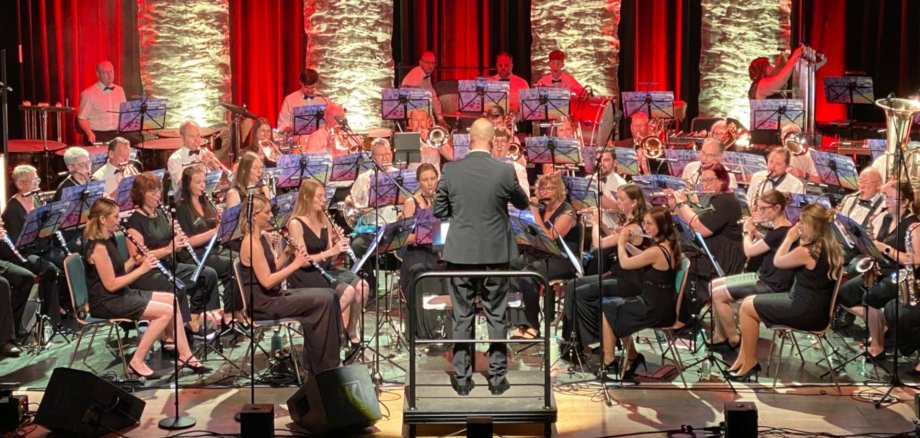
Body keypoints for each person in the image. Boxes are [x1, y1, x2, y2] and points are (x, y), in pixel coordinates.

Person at [433, 118, 529, 396]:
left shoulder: (451, 170)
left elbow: (439, 210)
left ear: (469, 139)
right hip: (495, 253)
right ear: (492, 140)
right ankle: (497, 379)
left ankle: (463, 380)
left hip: (461, 252)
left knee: (462, 316)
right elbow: (522, 203)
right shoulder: (505, 170)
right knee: (496, 315)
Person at [82, 198, 207, 378]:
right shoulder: (98, 248)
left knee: (172, 299)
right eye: (115, 217)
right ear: (102, 219)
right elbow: (111, 284)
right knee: (165, 312)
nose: (119, 220)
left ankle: (185, 355)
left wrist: (134, 260)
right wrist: (142, 269)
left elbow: (118, 271)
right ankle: (137, 361)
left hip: (119, 294)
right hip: (106, 301)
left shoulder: (110, 239)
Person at [728, 203, 842, 381]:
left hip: (804, 310)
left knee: (747, 308)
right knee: (749, 302)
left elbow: (779, 261)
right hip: (814, 307)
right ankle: (743, 360)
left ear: (811, 225)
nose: (798, 226)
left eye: (802, 222)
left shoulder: (808, 251)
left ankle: (748, 361)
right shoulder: (830, 247)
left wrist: (789, 238)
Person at [239, 194, 344, 377]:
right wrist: (295, 264)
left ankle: (327, 361)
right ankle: (323, 368)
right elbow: (267, 281)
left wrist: (288, 252)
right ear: (254, 216)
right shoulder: (250, 243)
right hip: (264, 304)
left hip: (274, 296)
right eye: (267, 212)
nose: (271, 216)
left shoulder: (262, 236)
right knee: (323, 300)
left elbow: (273, 267)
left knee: (330, 294)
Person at [124, 173, 220, 339]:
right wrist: (168, 249)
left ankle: (193, 320)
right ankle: (173, 335)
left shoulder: (161, 213)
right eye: (152, 192)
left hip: (169, 265)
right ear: (140, 194)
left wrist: (179, 239)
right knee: (177, 286)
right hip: (147, 273)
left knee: (207, 274)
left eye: (158, 190)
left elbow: (173, 242)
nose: (157, 195)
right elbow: (138, 258)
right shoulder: (134, 221)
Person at [286, 179, 370, 359]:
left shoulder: (324, 218)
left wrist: (337, 245)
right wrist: (331, 251)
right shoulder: (295, 223)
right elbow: (303, 261)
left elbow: (330, 258)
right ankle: (326, 333)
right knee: (347, 292)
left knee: (362, 287)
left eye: (325, 196)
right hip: (304, 275)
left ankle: (350, 332)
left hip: (324, 269)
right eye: (320, 197)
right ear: (307, 197)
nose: (324, 200)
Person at [837, 182, 920, 360]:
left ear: (905, 202)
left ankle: (877, 346)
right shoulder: (886, 218)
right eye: (885, 197)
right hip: (880, 269)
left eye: (891, 198)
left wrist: (886, 249)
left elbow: (916, 260)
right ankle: (880, 323)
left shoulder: (914, 226)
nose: (886, 201)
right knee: (843, 293)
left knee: (871, 297)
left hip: (900, 275)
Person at [600, 206, 681, 378]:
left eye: (650, 224)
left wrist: (621, 243)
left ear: (662, 226)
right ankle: (632, 356)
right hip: (658, 303)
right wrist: (628, 243)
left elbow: (625, 264)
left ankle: (609, 362)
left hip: (655, 309)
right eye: (644, 223)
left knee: (608, 309)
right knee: (615, 307)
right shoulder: (665, 246)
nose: (645, 228)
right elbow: (642, 257)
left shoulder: (656, 251)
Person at [563, 184, 647, 349]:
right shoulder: (627, 222)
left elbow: (599, 244)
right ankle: (572, 340)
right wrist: (601, 222)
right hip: (617, 274)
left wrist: (595, 222)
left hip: (629, 281)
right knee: (572, 285)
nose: (618, 202)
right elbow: (614, 238)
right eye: (617, 198)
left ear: (634, 202)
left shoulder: (634, 227)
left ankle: (591, 340)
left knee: (581, 293)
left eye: (622, 199)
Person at [709, 190, 795, 350]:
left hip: (771, 284)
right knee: (713, 285)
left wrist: (747, 232)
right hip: (764, 277)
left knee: (717, 294)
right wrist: (756, 233)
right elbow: (771, 244)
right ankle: (720, 335)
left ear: (777, 208)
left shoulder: (779, 232)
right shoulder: (784, 229)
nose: (761, 212)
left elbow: (749, 251)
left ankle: (733, 337)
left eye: (764, 208)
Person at [509, 173, 581, 339]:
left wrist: (534, 212)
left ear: (559, 191)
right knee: (511, 266)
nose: (545, 192)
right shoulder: (541, 210)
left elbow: (550, 238)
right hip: (540, 255)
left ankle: (532, 326)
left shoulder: (567, 212)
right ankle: (519, 321)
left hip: (563, 259)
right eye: (542, 188)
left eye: (550, 188)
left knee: (528, 275)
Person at [174, 166, 245, 329]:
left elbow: (217, 229)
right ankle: (229, 315)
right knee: (231, 265)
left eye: (204, 181)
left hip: (212, 249)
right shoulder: (181, 208)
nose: (203, 185)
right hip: (194, 254)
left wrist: (223, 222)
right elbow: (187, 242)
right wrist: (214, 232)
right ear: (187, 185)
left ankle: (235, 309)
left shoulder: (206, 202)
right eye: (198, 182)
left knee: (240, 260)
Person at [1, 165, 66, 330]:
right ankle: (49, 316)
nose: (37, 184)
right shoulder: (12, 209)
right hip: (22, 253)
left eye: (37, 180)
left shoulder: (36, 198)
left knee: (67, 259)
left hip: (40, 247)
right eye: (33, 181)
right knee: (49, 269)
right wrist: (38, 233)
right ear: (20, 184)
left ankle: (60, 309)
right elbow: (17, 243)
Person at [399, 164, 449, 341]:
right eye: (425, 180)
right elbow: (404, 238)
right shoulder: (411, 203)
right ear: (418, 182)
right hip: (416, 253)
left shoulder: (444, 200)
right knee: (419, 271)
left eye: (433, 179)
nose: (430, 183)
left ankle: (446, 327)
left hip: (439, 252)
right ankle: (424, 329)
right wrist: (425, 235)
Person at [278, 69, 345, 155]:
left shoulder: (324, 99)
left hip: (321, 146)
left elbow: (331, 120)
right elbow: (282, 125)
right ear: (300, 83)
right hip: (299, 146)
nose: (309, 91)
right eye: (306, 87)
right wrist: (294, 128)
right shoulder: (290, 100)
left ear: (316, 83)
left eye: (312, 87)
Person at [77, 61, 127, 145]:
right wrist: (89, 133)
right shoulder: (88, 93)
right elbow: (81, 118)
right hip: (97, 135)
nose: (109, 75)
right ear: (98, 74)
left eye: (111, 71)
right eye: (105, 72)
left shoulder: (120, 90)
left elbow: (125, 113)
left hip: (117, 134)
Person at [166, 121, 223, 192]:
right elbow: (181, 186)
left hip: (208, 193)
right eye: (192, 136)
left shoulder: (203, 152)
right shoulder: (174, 159)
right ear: (182, 138)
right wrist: (201, 164)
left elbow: (216, 181)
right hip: (186, 197)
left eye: (198, 135)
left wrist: (215, 169)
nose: (197, 140)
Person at [401, 51, 444, 124]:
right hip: (414, 117)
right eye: (428, 62)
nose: (431, 66)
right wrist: (439, 119)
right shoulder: (417, 75)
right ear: (420, 62)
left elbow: (432, 96)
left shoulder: (425, 75)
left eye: (433, 63)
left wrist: (440, 118)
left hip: (419, 114)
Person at [491, 127, 529, 194]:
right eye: (496, 141)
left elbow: (525, 195)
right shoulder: (482, 166)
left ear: (508, 144)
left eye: (503, 141)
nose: (499, 145)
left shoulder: (518, 169)